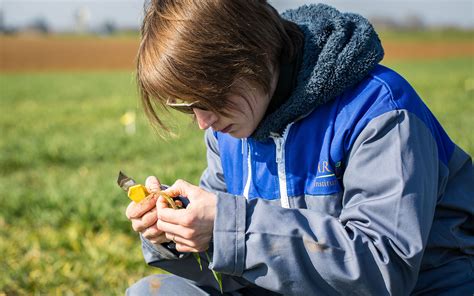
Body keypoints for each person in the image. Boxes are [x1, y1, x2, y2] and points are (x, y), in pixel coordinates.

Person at [125, 1, 474, 295]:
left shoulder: (380, 111)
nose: (203, 121)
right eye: (187, 106)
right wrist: (176, 235)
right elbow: (226, 272)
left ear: (254, 54)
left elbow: (385, 269)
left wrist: (228, 227)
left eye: (212, 97)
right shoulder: (230, 128)